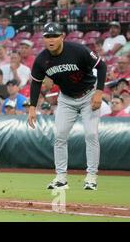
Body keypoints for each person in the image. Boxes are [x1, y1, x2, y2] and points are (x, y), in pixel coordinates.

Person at [27, 22, 107, 191]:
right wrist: (32, 107)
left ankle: (91, 177)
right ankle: (61, 178)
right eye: (47, 37)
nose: (51, 40)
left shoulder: (78, 50)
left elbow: (101, 66)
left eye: (54, 36)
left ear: (62, 37)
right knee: (60, 136)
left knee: (91, 134)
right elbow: (35, 83)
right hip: (66, 99)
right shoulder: (42, 59)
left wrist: (99, 92)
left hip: (88, 95)